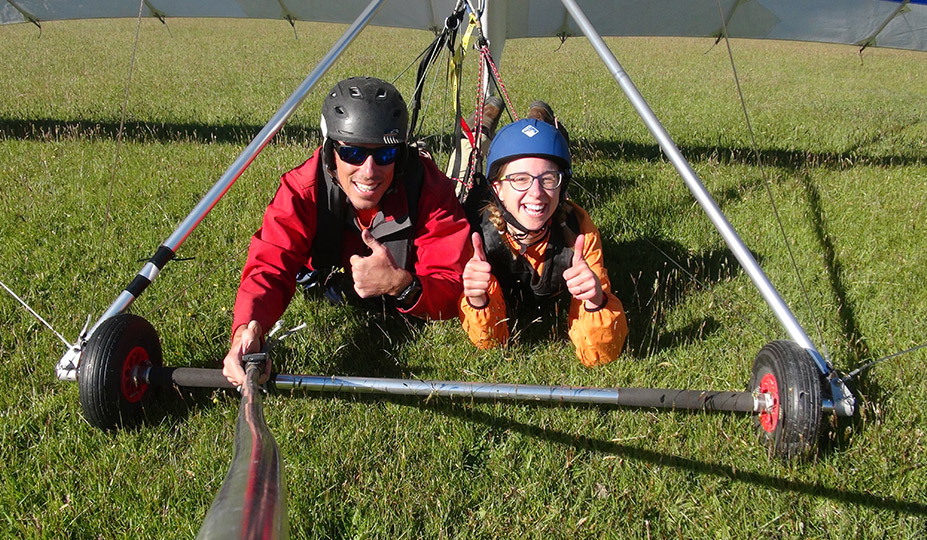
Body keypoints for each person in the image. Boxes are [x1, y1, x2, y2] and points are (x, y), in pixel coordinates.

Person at [223, 76, 471, 386]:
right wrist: (247, 328)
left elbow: (452, 284)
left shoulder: (429, 189)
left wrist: (401, 284)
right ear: (330, 153)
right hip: (328, 274)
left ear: (401, 155)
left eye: (384, 155)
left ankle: (484, 125)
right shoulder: (303, 188)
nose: (369, 170)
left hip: (404, 282)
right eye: (352, 153)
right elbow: (270, 265)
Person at [458, 104, 628, 366]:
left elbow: (598, 355)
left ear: (563, 189)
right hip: (476, 198)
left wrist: (596, 301)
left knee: (539, 143)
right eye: (520, 179)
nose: (536, 193)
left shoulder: (579, 233)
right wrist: (477, 300)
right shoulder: (475, 235)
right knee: (467, 159)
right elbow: (490, 342)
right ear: (498, 189)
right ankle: (484, 122)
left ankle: (539, 121)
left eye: (549, 179)